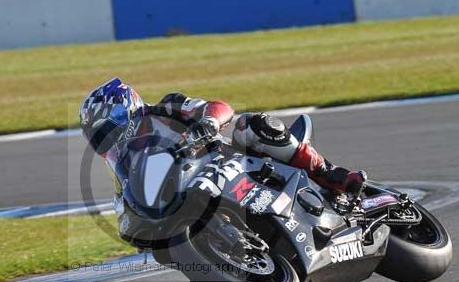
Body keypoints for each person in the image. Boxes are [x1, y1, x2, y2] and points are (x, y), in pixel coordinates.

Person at [79, 77, 366, 195]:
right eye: (98, 134)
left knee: (251, 124)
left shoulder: (165, 108)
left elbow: (218, 107)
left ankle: (332, 174)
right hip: (198, 195)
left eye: (107, 126)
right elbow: (126, 202)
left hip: (234, 162)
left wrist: (207, 123)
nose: (106, 137)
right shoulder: (123, 165)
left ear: (126, 108)